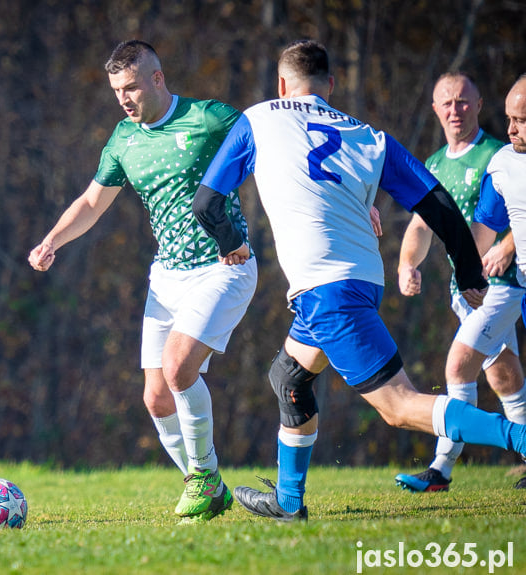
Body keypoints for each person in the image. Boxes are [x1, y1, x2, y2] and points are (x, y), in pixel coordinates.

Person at [193, 40, 526, 522]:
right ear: (330, 87)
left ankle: (519, 437)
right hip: (356, 283)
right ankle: (288, 502)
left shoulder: (259, 117)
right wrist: (468, 269)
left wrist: (231, 245)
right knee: (288, 376)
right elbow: (438, 204)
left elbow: (207, 203)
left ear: (282, 84)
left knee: (398, 406)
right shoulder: (369, 136)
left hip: (327, 292)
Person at [28, 40, 258, 523]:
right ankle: (207, 484)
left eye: (131, 86)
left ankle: (203, 476)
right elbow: (92, 202)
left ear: (158, 78)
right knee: (155, 397)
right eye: (116, 90)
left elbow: (279, 155)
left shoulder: (210, 118)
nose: (124, 98)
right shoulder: (123, 139)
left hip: (224, 267)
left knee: (178, 370)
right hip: (167, 277)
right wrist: (52, 239)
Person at [395, 72, 526, 493]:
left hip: (501, 285)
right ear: (435, 109)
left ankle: (441, 468)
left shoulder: (497, 153)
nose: (456, 110)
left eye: (464, 102)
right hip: (467, 289)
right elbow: (421, 225)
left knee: (458, 365)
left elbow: (512, 218)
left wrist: (506, 247)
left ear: (479, 104)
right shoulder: (434, 164)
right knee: (504, 374)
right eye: (447, 103)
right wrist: (406, 265)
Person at [473, 74, 526, 490]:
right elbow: (486, 226)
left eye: (521, 120)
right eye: (509, 118)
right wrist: (470, 276)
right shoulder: (503, 163)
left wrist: (508, 245)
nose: (510, 129)